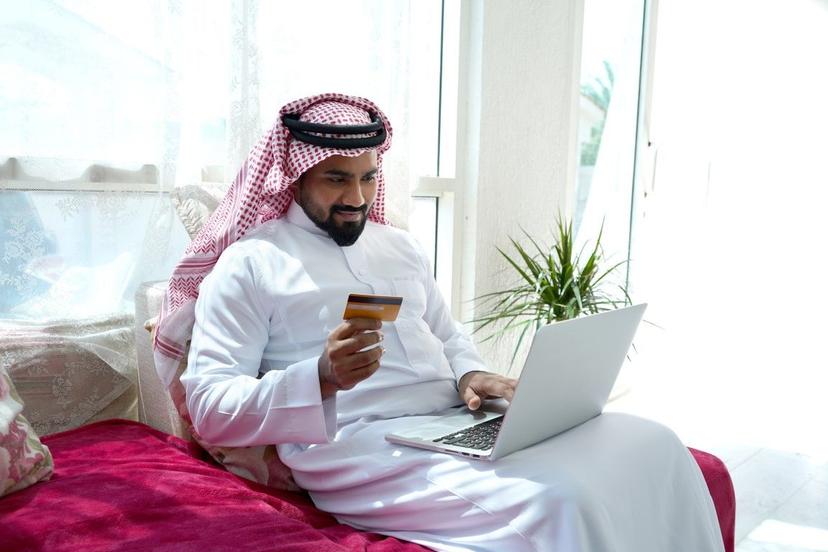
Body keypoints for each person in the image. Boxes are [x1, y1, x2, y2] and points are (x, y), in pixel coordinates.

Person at [154, 93, 724, 552]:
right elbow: (209, 406)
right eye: (336, 179)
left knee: (653, 443)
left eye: (368, 178)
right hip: (361, 449)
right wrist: (320, 377)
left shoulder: (398, 247)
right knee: (561, 500)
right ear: (295, 177)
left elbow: (448, 336)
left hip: (456, 424)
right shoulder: (251, 262)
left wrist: (471, 374)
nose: (357, 196)